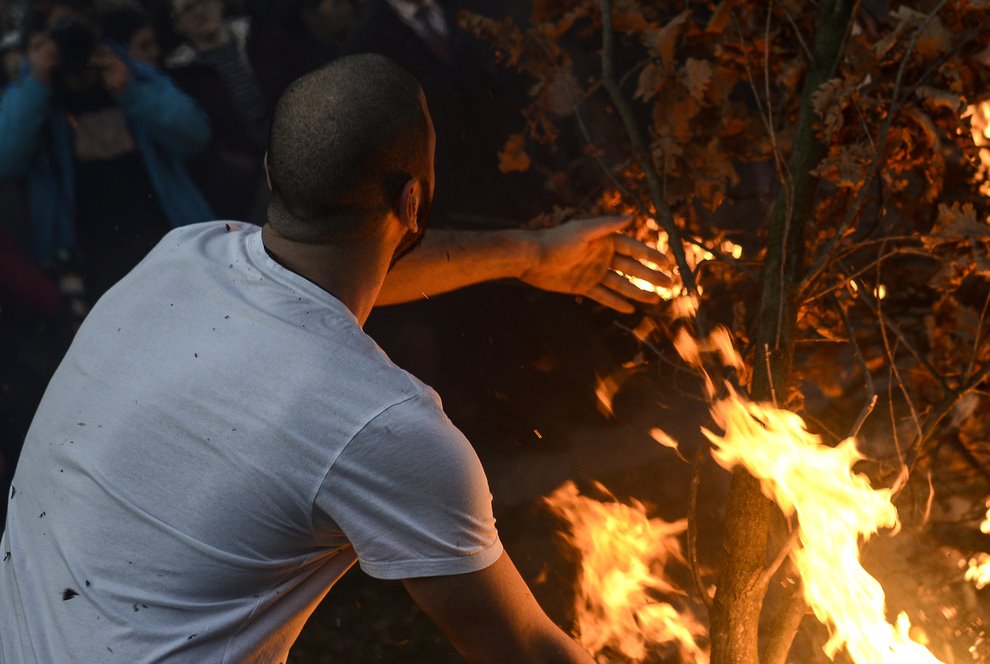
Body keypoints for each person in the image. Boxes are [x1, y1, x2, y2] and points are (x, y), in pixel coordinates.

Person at [0, 54, 667, 662]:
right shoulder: (382, 425)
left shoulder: (182, 256)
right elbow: (523, 651)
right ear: (413, 201)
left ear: (271, 174)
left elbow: (339, 275)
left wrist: (532, 254)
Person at [0, 0, 213, 299]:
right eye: (62, 27)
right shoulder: (34, 90)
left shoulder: (130, 72)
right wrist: (37, 84)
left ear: (97, 29)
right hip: (89, 261)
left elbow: (195, 135)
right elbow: (6, 159)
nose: (72, 36)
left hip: (167, 239)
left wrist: (131, 92)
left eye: (80, 23)